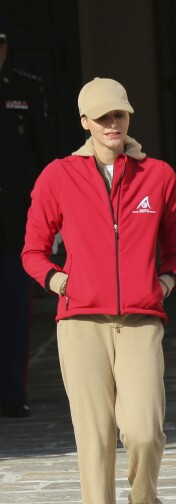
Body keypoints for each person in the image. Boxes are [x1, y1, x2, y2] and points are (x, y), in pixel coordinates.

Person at [21, 78, 176, 504]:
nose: (113, 125)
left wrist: (163, 282)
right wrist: (58, 280)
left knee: (143, 430)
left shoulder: (157, 176)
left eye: (120, 115)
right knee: (92, 436)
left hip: (140, 320)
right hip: (80, 323)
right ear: (85, 124)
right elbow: (32, 249)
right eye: (102, 118)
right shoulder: (58, 177)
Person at [0, 17, 50, 418]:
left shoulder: (25, 89)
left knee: (16, 312)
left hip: (14, 224)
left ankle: (12, 393)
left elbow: (43, 162)